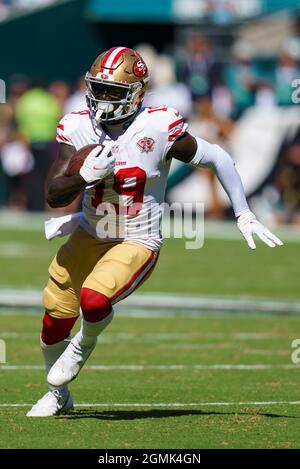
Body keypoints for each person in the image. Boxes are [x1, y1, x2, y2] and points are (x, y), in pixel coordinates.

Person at [26, 46, 283, 417]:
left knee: (94, 300)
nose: (102, 97)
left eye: (113, 91)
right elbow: (53, 193)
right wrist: (81, 177)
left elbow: (217, 156)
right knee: (53, 318)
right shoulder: (78, 124)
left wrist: (243, 212)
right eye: (98, 87)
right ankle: (58, 394)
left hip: (137, 236)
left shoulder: (159, 126)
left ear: (137, 93)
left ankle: (83, 344)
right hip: (90, 232)